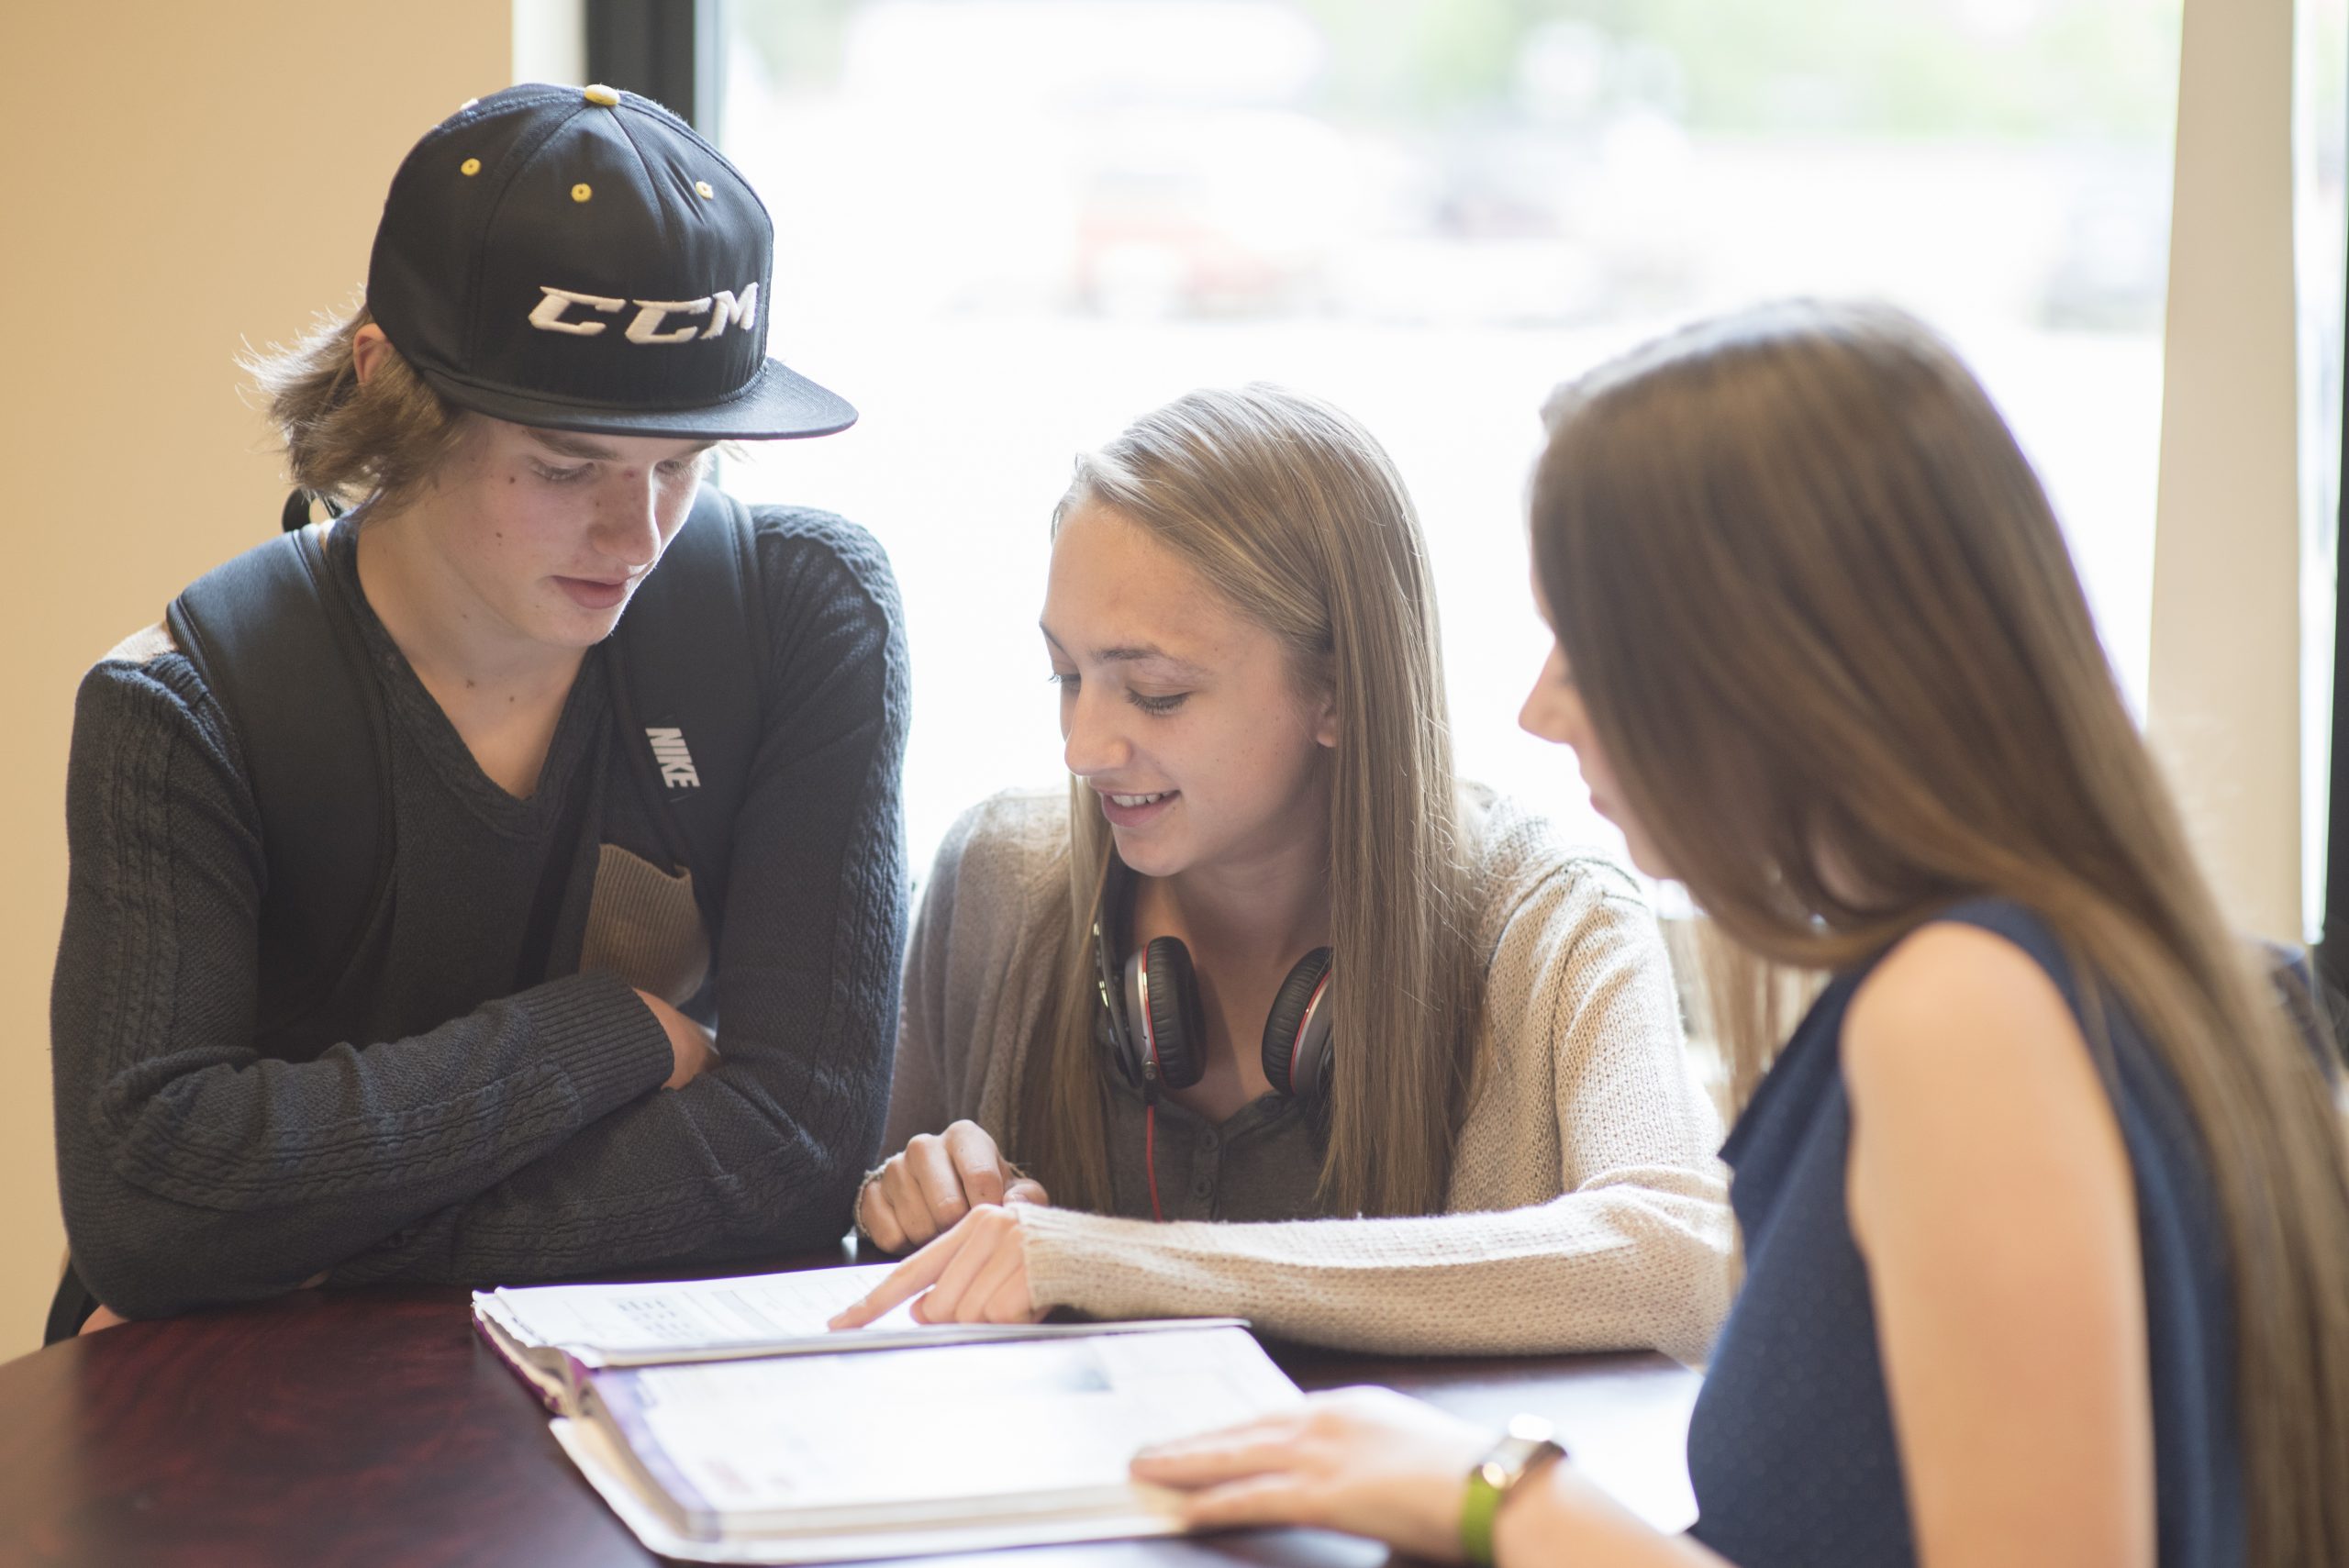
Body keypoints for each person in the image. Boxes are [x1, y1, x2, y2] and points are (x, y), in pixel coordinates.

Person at [1123, 302, 2349, 1567]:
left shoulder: (1962, 1014)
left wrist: (1503, 1499)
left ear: (1766, 666)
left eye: (1586, 647)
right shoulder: (2099, 975)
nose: (1540, 709)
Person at [46, 83, 909, 1340]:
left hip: (621, 1402)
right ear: (388, 383)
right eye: (566, 469)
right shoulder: (182, 711)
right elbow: (146, 1208)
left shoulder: (800, 617)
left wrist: (305, 1239)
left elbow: (792, 1158)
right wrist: (603, 1033)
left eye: (681, 463)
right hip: (246, 1424)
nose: (638, 535)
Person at [829, 385, 1732, 1363]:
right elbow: (868, 1281)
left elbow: (1677, 1260)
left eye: (1157, 693)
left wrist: (1118, 1265)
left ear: (1337, 694)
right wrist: (907, 1203)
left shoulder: (1555, 923)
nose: (1084, 746)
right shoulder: (998, 882)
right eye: (1066, 676)